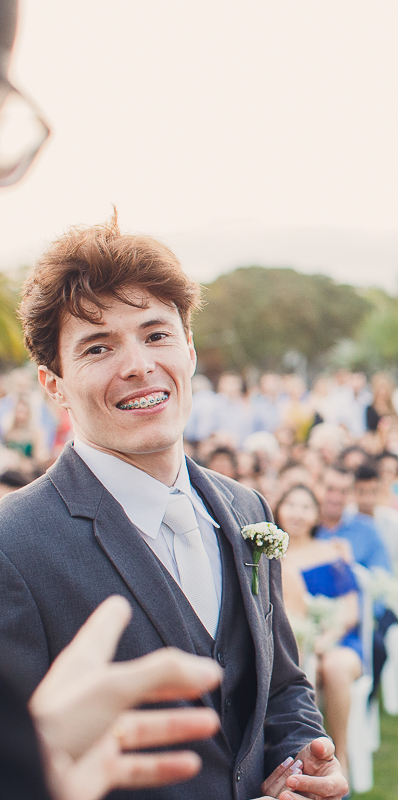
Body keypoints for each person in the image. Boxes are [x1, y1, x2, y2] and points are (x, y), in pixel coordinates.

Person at [0, 215, 348, 800]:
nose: (137, 364)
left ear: (188, 347)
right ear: (53, 384)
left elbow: (282, 685)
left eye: (156, 334)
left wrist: (301, 760)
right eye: (98, 346)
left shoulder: (247, 507)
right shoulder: (13, 547)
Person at [276, 483, 363, 766]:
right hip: (291, 643)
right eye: (291, 505)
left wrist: (325, 638)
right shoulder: (266, 556)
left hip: (338, 640)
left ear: (316, 515)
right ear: (279, 509)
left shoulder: (330, 552)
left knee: (334, 667)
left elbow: (351, 610)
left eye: (306, 507)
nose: (298, 514)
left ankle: (340, 759)